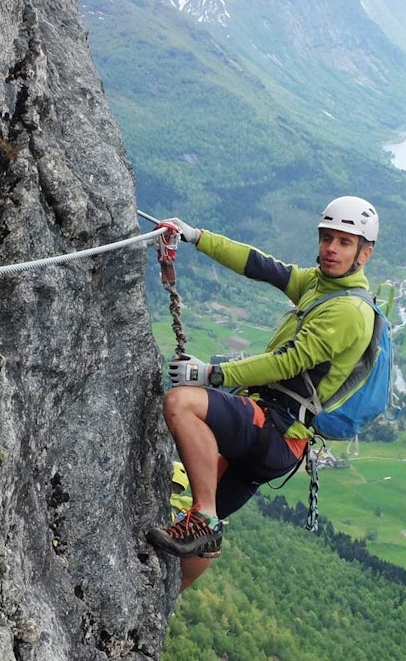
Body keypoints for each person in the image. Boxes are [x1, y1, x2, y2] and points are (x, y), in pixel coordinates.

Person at [147, 196, 380, 590]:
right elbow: (262, 266)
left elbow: (286, 363)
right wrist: (195, 236)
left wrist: (211, 374)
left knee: (182, 402)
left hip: (274, 429)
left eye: (344, 242)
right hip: (279, 444)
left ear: (364, 253)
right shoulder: (319, 286)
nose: (330, 249)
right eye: (327, 238)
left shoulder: (348, 312)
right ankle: (164, 600)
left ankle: (201, 517)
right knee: (212, 526)